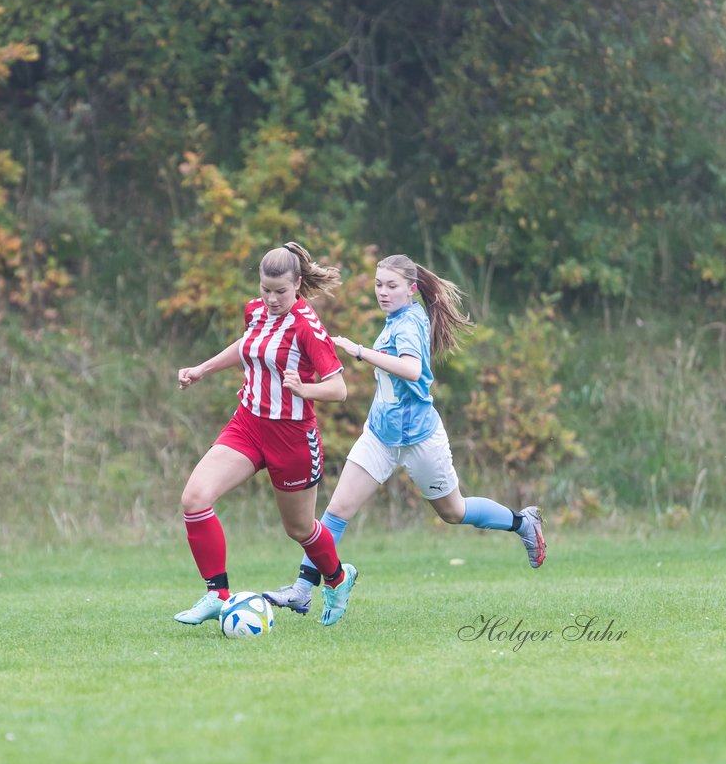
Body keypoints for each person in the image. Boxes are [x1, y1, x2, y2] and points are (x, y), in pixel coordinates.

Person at [263, 253, 546, 626]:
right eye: (379, 284)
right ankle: (302, 590)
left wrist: (361, 352)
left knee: (454, 512)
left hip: (419, 439)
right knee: (336, 511)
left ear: (411, 289)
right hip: (380, 435)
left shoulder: (409, 323)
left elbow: (412, 370)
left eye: (391, 286)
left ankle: (522, 523)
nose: (383, 292)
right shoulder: (396, 318)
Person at [173, 242, 358, 626]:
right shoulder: (255, 311)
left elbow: (338, 389)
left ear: (298, 284)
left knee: (299, 528)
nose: (271, 299)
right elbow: (247, 347)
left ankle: (338, 579)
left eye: (281, 292)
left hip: (291, 437)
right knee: (194, 499)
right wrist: (201, 369)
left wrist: (304, 389)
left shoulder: (308, 327)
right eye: (265, 290)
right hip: (248, 424)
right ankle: (216, 594)